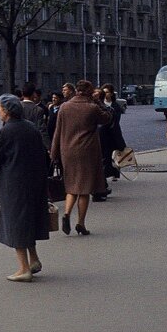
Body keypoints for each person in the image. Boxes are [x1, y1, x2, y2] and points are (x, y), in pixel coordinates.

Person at [0, 94, 50, 282]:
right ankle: (34, 260)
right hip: (34, 182)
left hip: (14, 184)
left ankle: (24, 269)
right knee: (28, 221)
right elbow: (42, 155)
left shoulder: (6, 132)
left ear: (6, 111)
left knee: (17, 224)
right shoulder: (30, 127)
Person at [50, 80, 111, 236]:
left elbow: (58, 131)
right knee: (84, 189)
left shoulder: (64, 107)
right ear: (89, 92)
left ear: (76, 90)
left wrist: (54, 154)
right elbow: (107, 118)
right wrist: (98, 101)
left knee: (72, 186)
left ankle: (66, 214)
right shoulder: (92, 108)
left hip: (68, 152)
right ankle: (80, 223)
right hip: (87, 152)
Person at [95, 83, 127, 200]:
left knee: (115, 154)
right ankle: (105, 176)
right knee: (105, 156)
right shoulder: (100, 104)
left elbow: (116, 120)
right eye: (104, 92)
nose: (106, 94)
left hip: (113, 133)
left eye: (107, 92)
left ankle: (115, 173)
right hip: (103, 134)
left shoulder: (115, 105)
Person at [20, 83, 50, 150]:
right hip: (33, 144)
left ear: (22, 93)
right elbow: (42, 129)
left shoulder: (16, 107)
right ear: (34, 94)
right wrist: (49, 147)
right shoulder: (38, 110)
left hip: (18, 143)